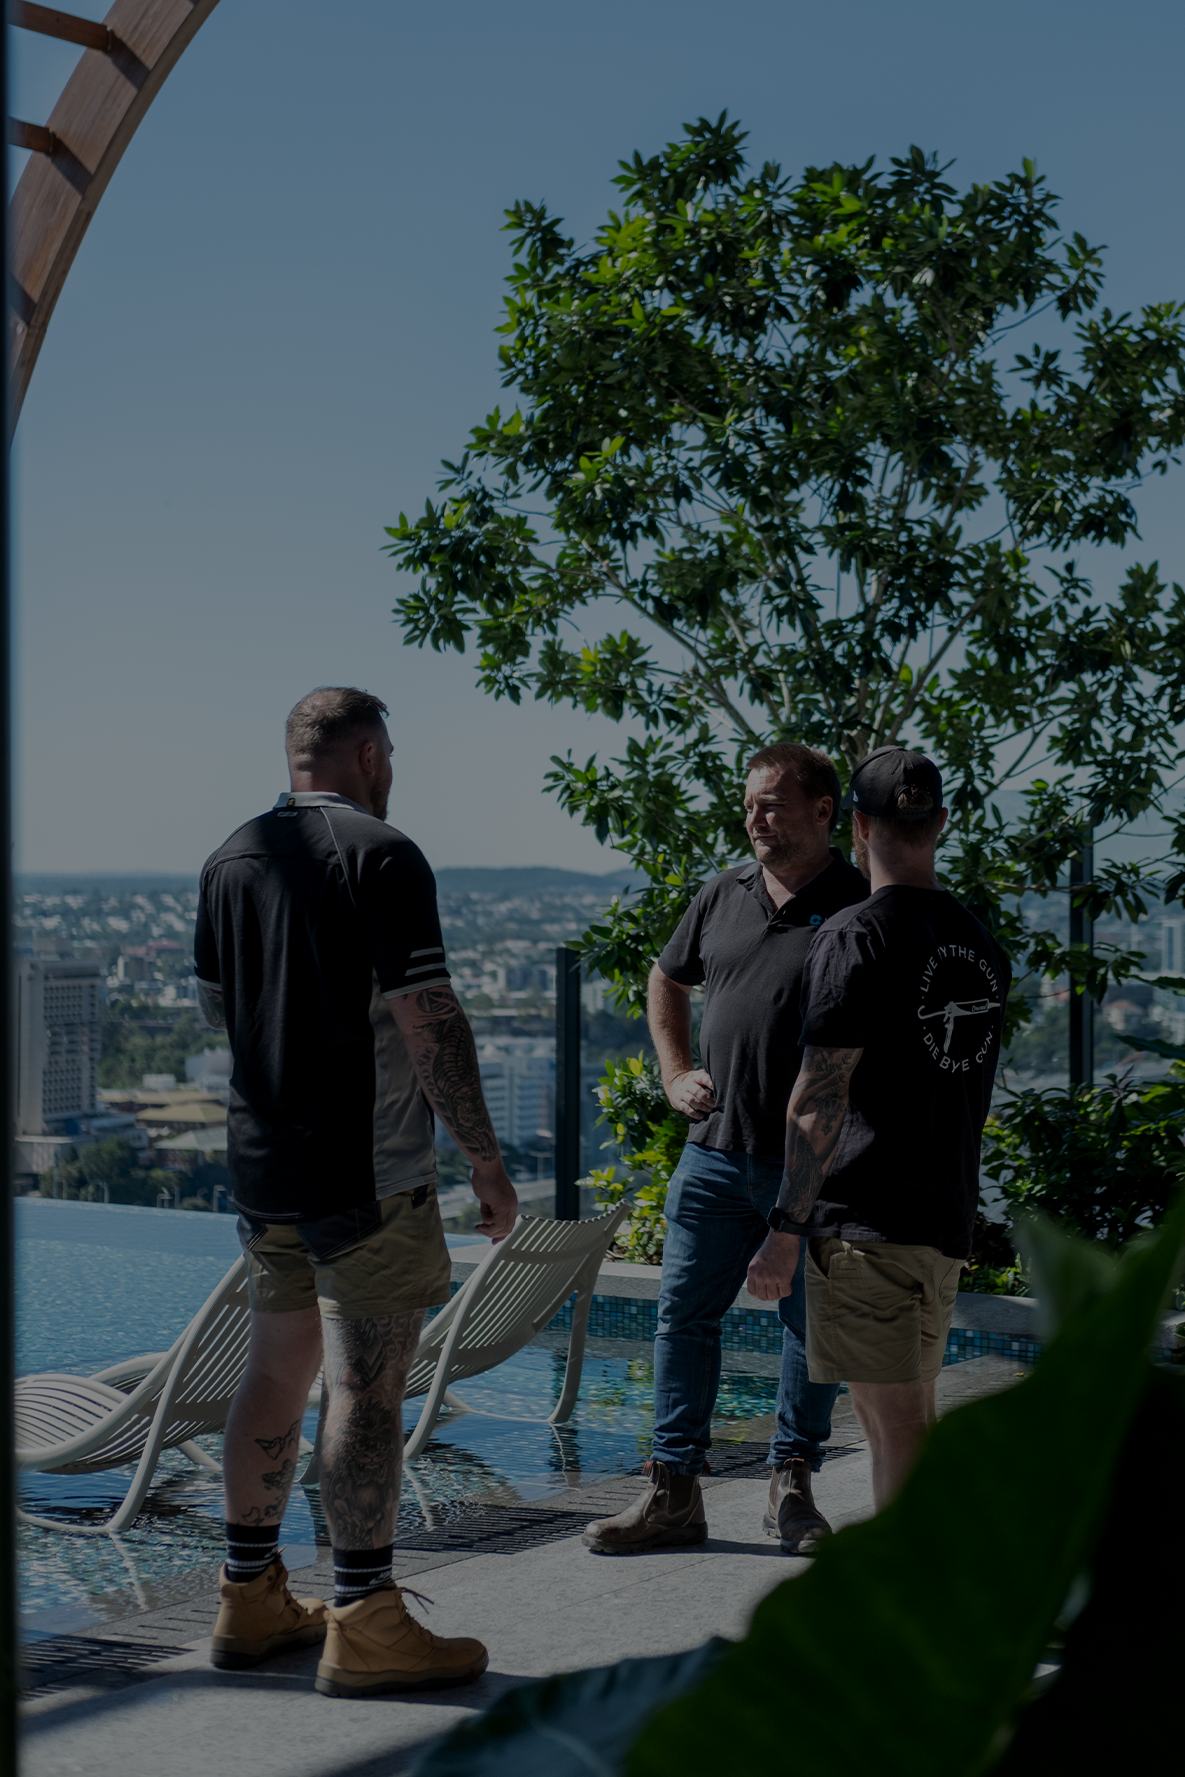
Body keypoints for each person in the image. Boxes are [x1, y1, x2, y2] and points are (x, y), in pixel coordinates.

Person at [196, 686, 518, 1697]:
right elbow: (430, 1020)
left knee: (278, 1369)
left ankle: (249, 1600)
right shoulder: (383, 853)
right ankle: (368, 1619)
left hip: (264, 1168)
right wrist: (486, 1159)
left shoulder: (228, 858)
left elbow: (221, 1010)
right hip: (369, 1171)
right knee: (366, 1386)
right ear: (370, 753)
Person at [584, 742, 868, 1557]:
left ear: (823, 810)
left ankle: (792, 1486)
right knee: (681, 1318)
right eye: (749, 802)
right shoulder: (723, 892)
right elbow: (663, 979)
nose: (754, 816)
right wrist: (675, 1072)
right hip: (710, 1154)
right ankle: (672, 1491)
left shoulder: (857, 906)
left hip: (811, 1161)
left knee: (807, 1328)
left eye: (773, 802)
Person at [746, 746, 1011, 1510]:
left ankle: (914, 1610)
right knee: (906, 1413)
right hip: (940, 1214)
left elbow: (817, 1095)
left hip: (867, 1224)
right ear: (941, 822)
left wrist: (785, 1226)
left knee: (893, 1427)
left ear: (856, 825)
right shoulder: (977, 941)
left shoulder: (856, 934)